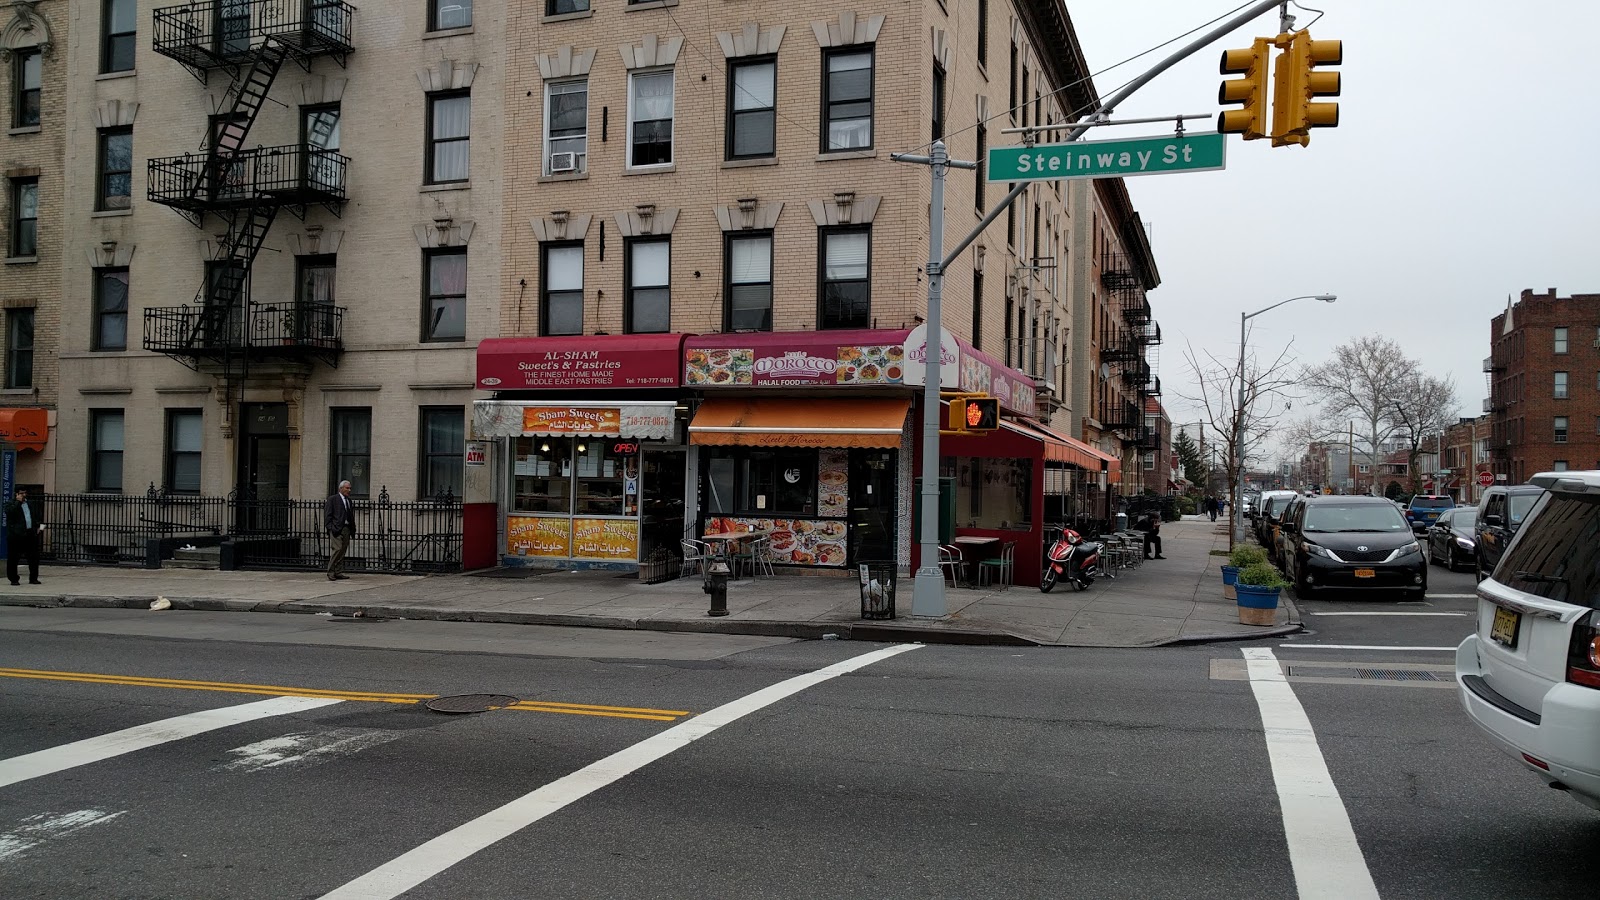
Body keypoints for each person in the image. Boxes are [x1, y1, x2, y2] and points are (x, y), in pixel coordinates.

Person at [6, 487, 43, 585]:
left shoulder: (30, 504)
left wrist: (39, 526)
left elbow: (37, 516)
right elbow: (10, 513)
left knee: (33, 557)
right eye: (21, 493)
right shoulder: (10, 503)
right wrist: (18, 502)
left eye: (25, 493)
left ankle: (33, 578)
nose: (24, 495)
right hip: (16, 535)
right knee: (14, 558)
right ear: (16, 494)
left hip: (30, 533)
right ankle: (14, 579)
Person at [324, 480, 357, 581]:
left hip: (347, 528)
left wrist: (352, 529)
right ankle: (330, 572)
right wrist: (330, 527)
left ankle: (338, 572)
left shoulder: (348, 500)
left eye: (350, 488)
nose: (349, 490)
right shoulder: (333, 499)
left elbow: (350, 515)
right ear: (341, 488)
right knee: (337, 549)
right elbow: (328, 515)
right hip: (337, 529)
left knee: (342, 551)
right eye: (347, 488)